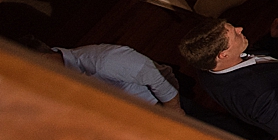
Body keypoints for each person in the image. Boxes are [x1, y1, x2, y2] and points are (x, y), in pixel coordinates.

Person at [19, 37, 181, 110]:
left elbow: (156, 78)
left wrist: (173, 110)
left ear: (43, 58)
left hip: (163, 105)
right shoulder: (55, 82)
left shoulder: (101, 60)